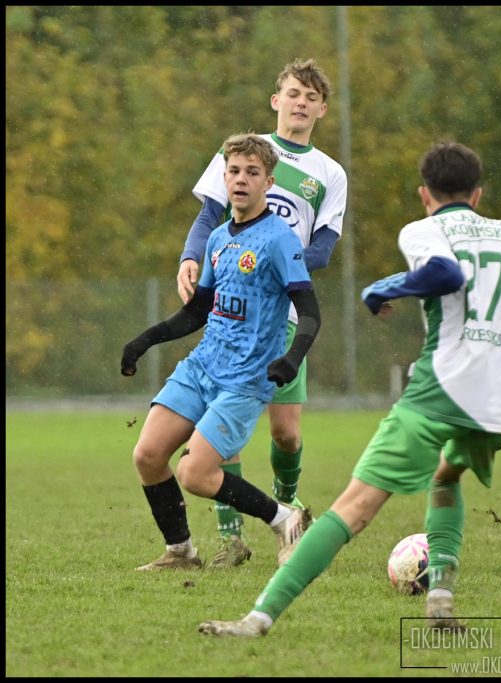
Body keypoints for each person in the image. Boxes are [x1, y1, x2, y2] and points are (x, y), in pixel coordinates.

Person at [197, 141, 501, 637]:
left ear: (425, 194)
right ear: (478, 194)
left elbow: (445, 272)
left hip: (443, 390)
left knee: (353, 506)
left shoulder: (423, 229)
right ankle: (440, 601)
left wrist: (387, 287)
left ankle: (256, 620)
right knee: (446, 476)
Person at [176, 58, 348, 567]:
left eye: (311, 97)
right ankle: (232, 539)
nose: (300, 103)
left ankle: (288, 505)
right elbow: (208, 215)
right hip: (233, 317)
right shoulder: (242, 152)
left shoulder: (329, 173)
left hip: (284, 317)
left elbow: (324, 248)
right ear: (276, 100)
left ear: (321, 109)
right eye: (293, 93)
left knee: (285, 433)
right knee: (222, 426)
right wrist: (190, 256)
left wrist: (278, 267)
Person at [122, 133, 321, 570]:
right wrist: (145, 340)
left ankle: (285, 518)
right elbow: (197, 312)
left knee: (195, 473)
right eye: (234, 171)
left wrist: (292, 358)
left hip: (245, 379)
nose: (241, 179)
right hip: (202, 366)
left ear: (268, 182)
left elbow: (309, 312)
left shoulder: (279, 239)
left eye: (252, 172)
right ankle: (181, 552)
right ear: (225, 177)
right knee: (148, 455)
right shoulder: (216, 238)